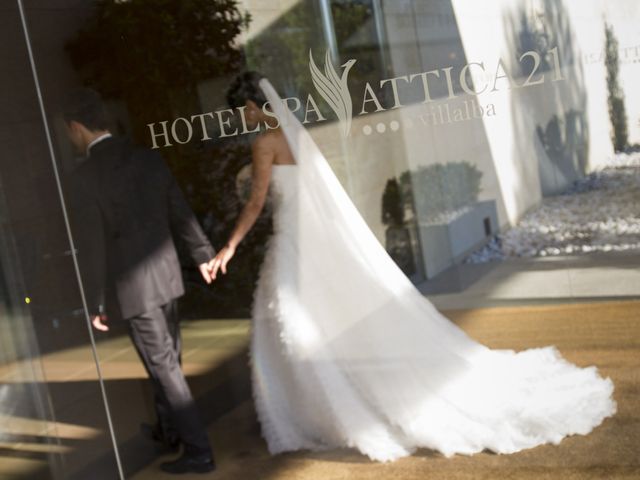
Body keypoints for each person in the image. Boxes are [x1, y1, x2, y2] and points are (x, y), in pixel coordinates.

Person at [210, 72, 617, 462]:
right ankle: (323, 409)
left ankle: (321, 415)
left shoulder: (266, 142)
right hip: (311, 241)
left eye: (240, 113)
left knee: (297, 325)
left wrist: (228, 247)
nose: (241, 121)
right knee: (315, 325)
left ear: (251, 106)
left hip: (296, 244)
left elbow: (256, 203)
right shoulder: (299, 136)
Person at [63, 88, 216, 474]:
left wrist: (96, 302)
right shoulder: (147, 158)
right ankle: (172, 432)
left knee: (164, 367)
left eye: (68, 132)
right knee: (168, 362)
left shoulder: (85, 178)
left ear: (77, 127)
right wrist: (202, 254)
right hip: (166, 275)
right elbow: (178, 207)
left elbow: (94, 246)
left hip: (135, 289)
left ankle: (199, 452)